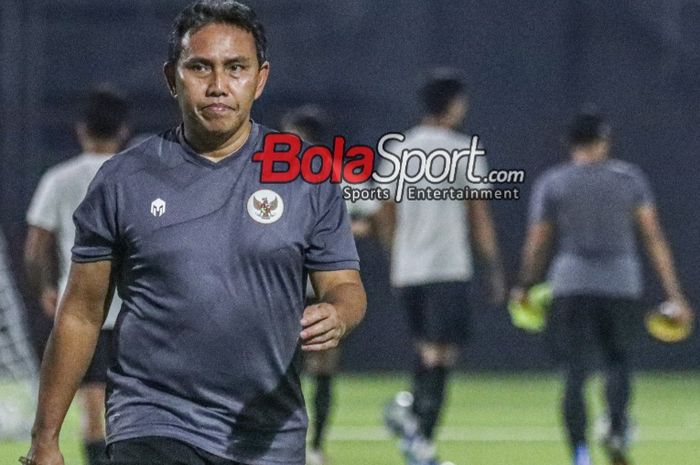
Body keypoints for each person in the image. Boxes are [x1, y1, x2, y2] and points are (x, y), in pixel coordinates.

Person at [24, 2, 366, 465]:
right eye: (200, 67)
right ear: (172, 77)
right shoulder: (123, 179)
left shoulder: (308, 177)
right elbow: (82, 311)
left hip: (267, 434)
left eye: (236, 68)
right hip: (151, 421)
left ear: (260, 79)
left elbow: (345, 286)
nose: (218, 85)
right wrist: (45, 438)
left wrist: (338, 313)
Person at [511, 111, 694, 465]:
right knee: (619, 363)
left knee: (574, 373)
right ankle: (615, 427)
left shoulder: (555, 181)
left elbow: (537, 242)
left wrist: (525, 283)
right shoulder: (629, 179)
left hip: (570, 285)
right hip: (620, 285)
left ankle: (580, 454)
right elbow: (653, 237)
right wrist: (674, 293)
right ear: (604, 139)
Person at [380, 70, 506, 465]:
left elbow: (385, 208)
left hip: (409, 269)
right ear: (452, 105)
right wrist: (494, 268)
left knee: (425, 349)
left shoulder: (400, 149)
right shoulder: (461, 149)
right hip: (447, 267)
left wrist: (395, 251)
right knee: (442, 355)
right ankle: (423, 440)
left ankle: (409, 417)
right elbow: (478, 215)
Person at [24, 86, 130, 465]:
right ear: (122, 132)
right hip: (140, 313)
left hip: (85, 312)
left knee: (93, 411)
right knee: (138, 410)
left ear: (82, 130)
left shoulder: (60, 178)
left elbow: (36, 245)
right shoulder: (138, 176)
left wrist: (47, 289)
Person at [280, 106, 379, 465]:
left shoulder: (330, 174)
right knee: (297, 368)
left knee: (314, 367)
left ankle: (313, 446)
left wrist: (332, 234)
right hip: (299, 285)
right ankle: (302, 445)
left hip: (312, 286)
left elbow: (372, 218)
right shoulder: (278, 173)